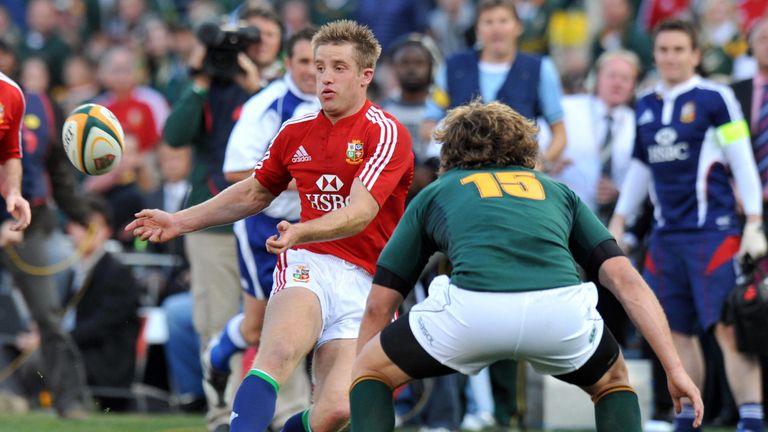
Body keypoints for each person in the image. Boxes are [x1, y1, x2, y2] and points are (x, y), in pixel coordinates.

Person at [348, 100, 704, 432]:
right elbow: (625, 280)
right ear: (524, 146)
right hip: (558, 314)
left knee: (370, 372)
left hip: (473, 313)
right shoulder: (557, 191)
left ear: (450, 149)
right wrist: (674, 369)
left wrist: (358, 376)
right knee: (612, 383)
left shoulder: (437, 191)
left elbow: (381, 303)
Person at [127, 19, 413, 432]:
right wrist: (178, 220)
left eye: (338, 67)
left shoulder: (384, 132)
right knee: (275, 352)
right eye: (319, 67)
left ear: (366, 75)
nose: (325, 78)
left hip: (367, 282)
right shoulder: (295, 131)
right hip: (310, 263)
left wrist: (301, 229)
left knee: (335, 411)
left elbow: (360, 212)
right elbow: (253, 192)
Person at [609, 19, 767, 432]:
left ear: (696, 55)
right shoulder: (644, 103)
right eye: (663, 50)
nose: (671, 57)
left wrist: (754, 222)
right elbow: (641, 168)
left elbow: (742, 162)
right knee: (675, 333)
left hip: (713, 234)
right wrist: (620, 220)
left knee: (729, 328)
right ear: (654, 54)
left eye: (679, 49)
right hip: (665, 238)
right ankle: (688, 419)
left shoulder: (717, 98)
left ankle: (752, 419)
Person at [161, 6, 278, 431]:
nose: (250, 46)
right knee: (216, 319)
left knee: (282, 320)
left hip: (271, 220)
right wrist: (200, 77)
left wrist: (257, 87)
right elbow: (174, 134)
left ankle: (283, 415)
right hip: (211, 219)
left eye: (262, 37)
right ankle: (220, 417)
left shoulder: (284, 88)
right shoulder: (204, 84)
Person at [204, 26, 320, 429]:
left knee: (310, 324)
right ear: (287, 63)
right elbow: (235, 169)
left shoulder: (341, 105)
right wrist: (305, 178)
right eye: (304, 61)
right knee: (257, 327)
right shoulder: (268, 104)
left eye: (320, 63)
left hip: (317, 227)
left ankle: (309, 414)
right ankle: (219, 354)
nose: (313, 71)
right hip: (265, 226)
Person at [423, 0, 567, 173]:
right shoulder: (453, 67)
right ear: (477, 30)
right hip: (462, 173)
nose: (496, 29)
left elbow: (560, 134)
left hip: (517, 173)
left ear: (518, 27)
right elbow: (428, 125)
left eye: (503, 21)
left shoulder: (540, 68)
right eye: (488, 22)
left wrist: (541, 164)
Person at [63, 194, 141, 411]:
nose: (83, 232)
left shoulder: (117, 273)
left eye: (91, 227)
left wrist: (55, 339)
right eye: (80, 225)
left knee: (44, 355)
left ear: (106, 231)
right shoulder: (73, 269)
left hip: (103, 366)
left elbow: (101, 325)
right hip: (78, 353)